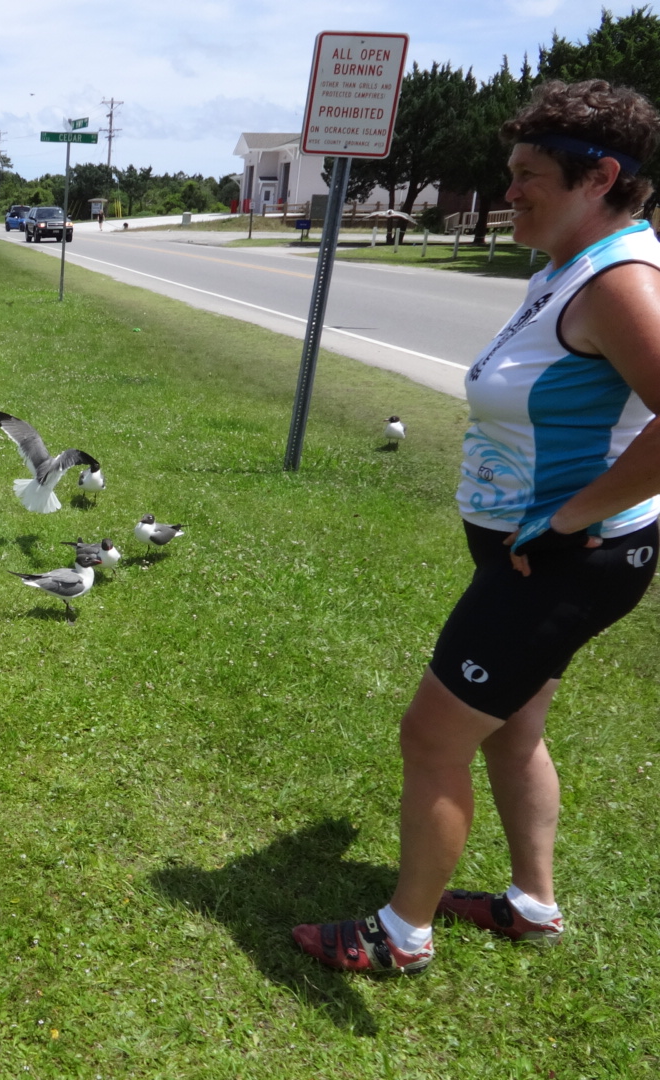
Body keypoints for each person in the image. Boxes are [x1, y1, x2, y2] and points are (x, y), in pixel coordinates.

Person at [294, 79, 660, 975]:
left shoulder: (620, 281)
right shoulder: (567, 270)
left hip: (562, 559)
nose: (509, 190)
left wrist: (567, 519)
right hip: (538, 550)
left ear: (600, 177)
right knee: (512, 727)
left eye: (529, 174)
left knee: (432, 735)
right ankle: (533, 906)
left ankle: (401, 935)